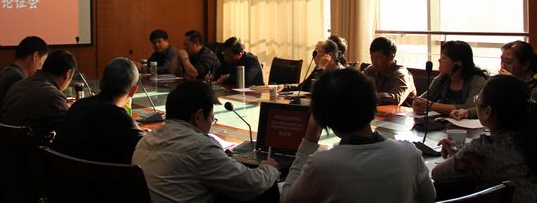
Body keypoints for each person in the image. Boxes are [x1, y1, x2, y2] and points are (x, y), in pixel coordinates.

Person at [281, 69, 436, 203]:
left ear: (321, 116)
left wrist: (309, 140)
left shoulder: (321, 165)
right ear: (373, 104)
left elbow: (287, 199)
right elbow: (429, 197)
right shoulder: (409, 154)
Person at [132, 81, 279, 203]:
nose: (210, 124)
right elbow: (250, 185)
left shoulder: (145, 141)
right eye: (211, 118)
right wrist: (269, 168)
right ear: (199, 115)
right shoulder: (200, 146)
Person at [432, 76, 537, 203]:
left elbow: (437, 174)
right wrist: (461, 158)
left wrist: (459, 158)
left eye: (477, 98)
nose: (476, 101)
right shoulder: (535, 139)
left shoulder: (483, 148)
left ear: (488, 112)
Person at [52, 58, 145, 164]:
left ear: (101, 82)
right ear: (133, 91)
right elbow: (147, 148)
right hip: (97, 174)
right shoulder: (121, 119)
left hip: (61, 171)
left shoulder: (77, 106)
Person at [451, 40, 537, 119]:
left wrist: (513, 83)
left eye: (508, 62)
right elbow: (490, 105)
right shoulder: (503, 81)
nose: (502, 66)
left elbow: (526, 113)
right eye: (501, 60)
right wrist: (467, 112)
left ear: (525, 65)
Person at [0, 49, 76, 142]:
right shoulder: (53, 96)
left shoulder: (18, 84)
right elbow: (69, 132)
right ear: (68, 74)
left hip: (6, 146)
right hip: (31, 149)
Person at [413, 40, 488, 115]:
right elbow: (425, 98)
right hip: (442, 120)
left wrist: (432, 106)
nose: (439, 60)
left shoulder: (477, 81)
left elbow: (470, 107)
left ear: (458, 64)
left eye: (444, 58)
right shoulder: (442, 77)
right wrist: (417, 103)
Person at [0, 35, 48, 119]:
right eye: (43, 61)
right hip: (6, 126)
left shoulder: (2, 73)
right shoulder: (18, 79)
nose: (42, 67)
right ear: (35, 56)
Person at [362, 36, 416, 106]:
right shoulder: (372, 70)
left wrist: (369, 96)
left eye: (379, 57)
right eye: (372, 57)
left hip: (402, 112)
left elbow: (396, 98)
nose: (374, 61)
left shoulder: (401, 74)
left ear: (391, 57)